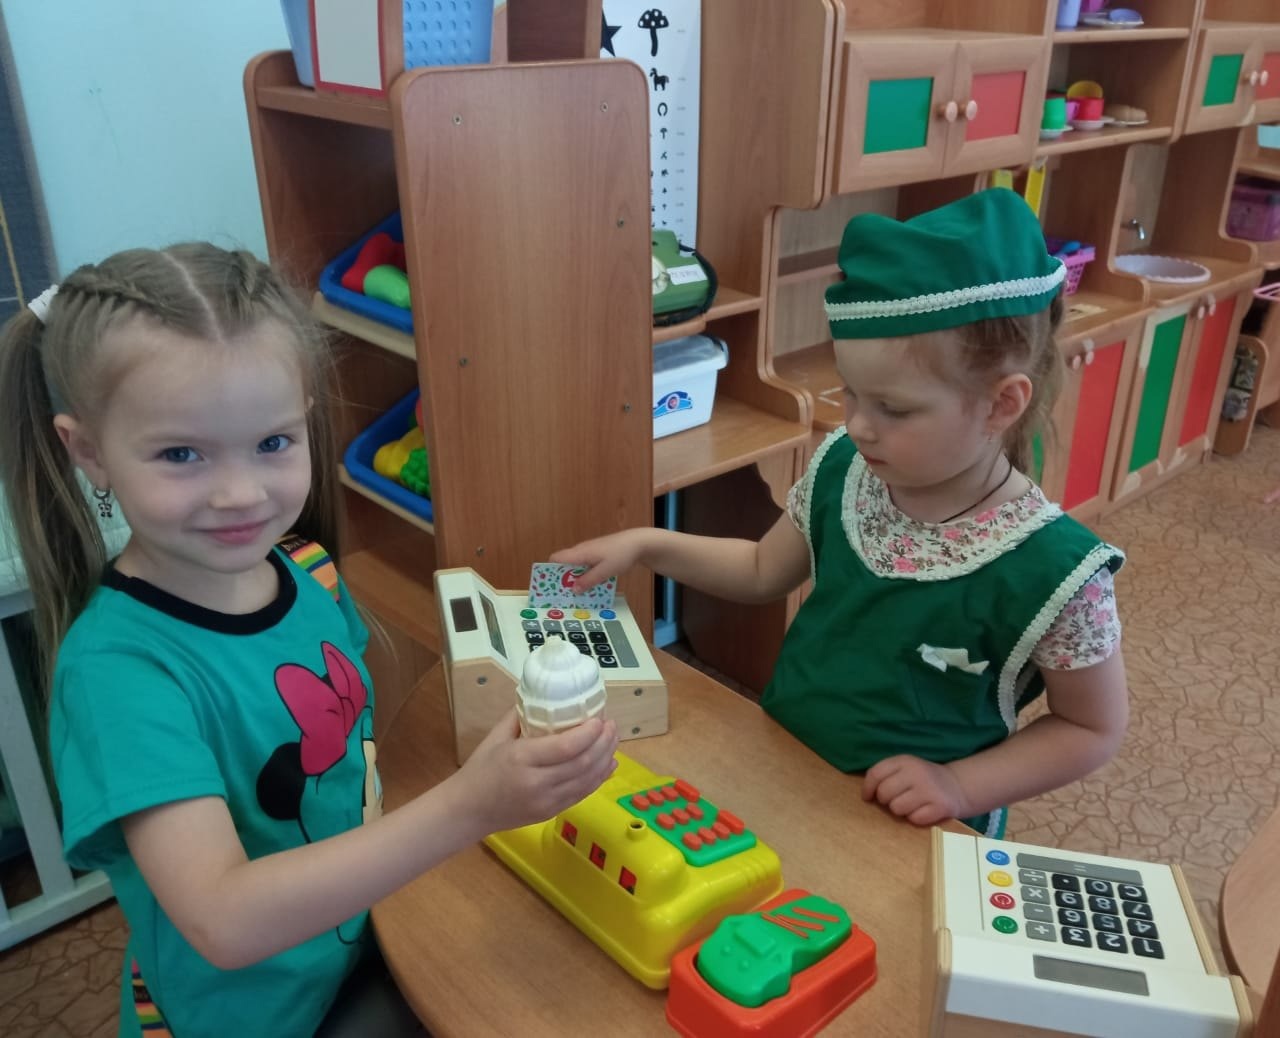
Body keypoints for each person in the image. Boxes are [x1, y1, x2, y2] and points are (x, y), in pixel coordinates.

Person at [0, 244, 618, 1038]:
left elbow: (355, 762)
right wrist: (470, 807)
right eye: (181, 454)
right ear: (88, 452)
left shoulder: (309, 572)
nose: (240, 493)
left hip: (369, 941)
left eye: (272, 443)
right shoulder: (118, 673)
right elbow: (222, 919)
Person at [555, 189, 1128, 839]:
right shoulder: (845, 468)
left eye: (894, 408)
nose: (858, 425)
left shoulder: (1060, 572)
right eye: (850, 393)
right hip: (787, 768)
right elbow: (760, 568)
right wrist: (647, 544)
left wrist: (959, 785)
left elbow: (1091, 728)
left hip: (911, 828)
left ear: (1002, 405)